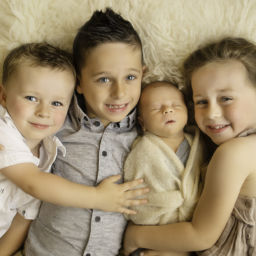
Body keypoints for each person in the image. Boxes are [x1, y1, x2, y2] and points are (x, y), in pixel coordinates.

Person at [0, 42, 146, 255]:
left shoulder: (49, 153)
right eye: (31, 98)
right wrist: (98, 198)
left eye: (57, 103)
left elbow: (23, 220)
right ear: (3, 97)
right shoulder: (4, 131)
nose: (44, 112)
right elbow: (33, 183)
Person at [123, 37, 256, 256]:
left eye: (226, 98)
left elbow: (200, 236)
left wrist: (133, 236)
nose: (212, 113)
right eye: (201, 102)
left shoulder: (234, 153)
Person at [123, 81, 206, 256]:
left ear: (187, 111)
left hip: (190, 229)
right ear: (142, 122)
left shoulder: (200, 145)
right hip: (154, 228)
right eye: (156, 108)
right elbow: (133, 190)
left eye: (175, 105)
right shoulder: (143, 150)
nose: (167, 110)